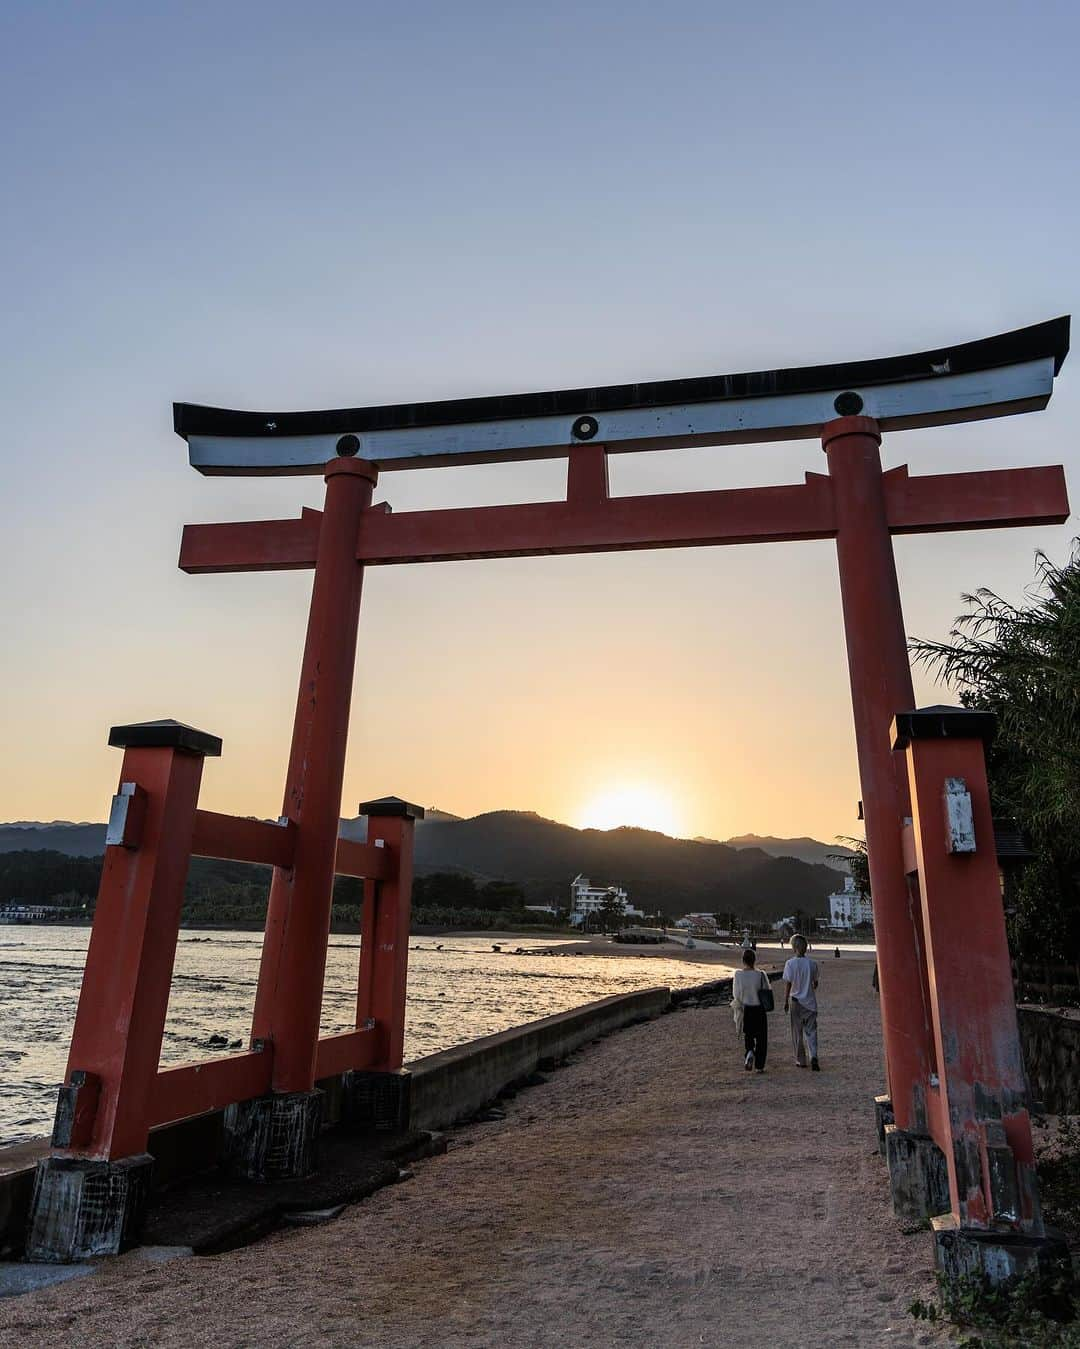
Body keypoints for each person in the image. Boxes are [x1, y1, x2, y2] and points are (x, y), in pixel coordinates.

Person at [783, 933, 820, 1071]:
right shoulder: (812, 964)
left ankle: (801, 1060)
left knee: (797, 1032)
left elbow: (788, 984)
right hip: (810, 1002)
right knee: (811, 1031)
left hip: (796, 1001)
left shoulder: (790, 964)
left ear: (794, 947)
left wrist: (785, 1000)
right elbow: (815, 983)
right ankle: (814, 1056)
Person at [732, 947, 770, 1073]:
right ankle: (759, 1066)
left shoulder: (738, 975)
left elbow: (736, 994)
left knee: (748, 1035)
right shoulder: (760, 974)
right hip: (759, 1009)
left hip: (747, 1009)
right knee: (761, 1039)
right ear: (754, 960)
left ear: (743, 961)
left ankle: (749, 1052)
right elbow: (767, 990)